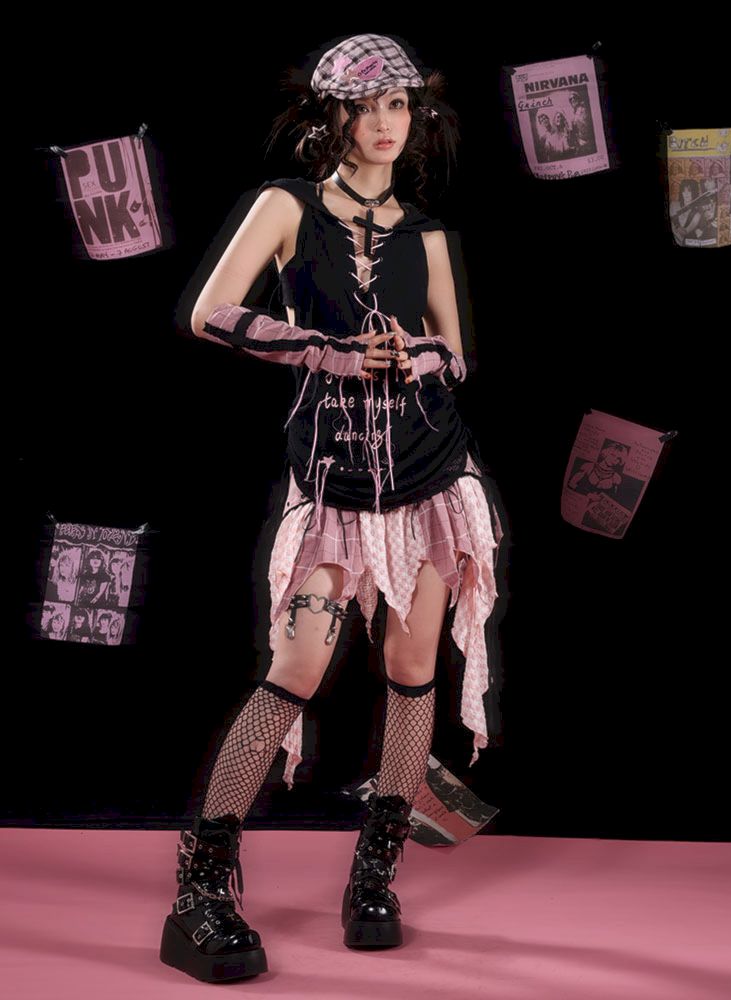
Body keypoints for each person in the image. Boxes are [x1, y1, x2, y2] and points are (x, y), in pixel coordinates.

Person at [160, 33, 504, 984]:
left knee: (410, 668)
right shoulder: (286, 206)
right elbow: (210, 313)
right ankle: (199, 887)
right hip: (334, 484)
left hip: (431, 477)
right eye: (367, 106)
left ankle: (375, 877)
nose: (387, 124)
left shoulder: (427, 235)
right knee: (296, 667)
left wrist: (420, 356)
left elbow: (455, 356)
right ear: (332, 116)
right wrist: (330, 351)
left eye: (400, 106)